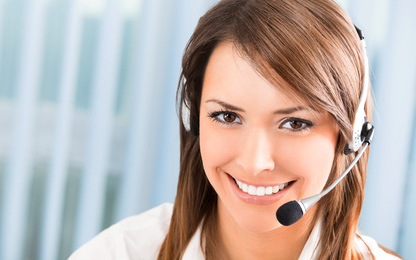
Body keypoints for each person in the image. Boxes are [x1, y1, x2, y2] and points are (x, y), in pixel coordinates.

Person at [69, 0, 402, 259]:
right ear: (193, 117)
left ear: (351, 137)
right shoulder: (119, 254)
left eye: (295, 123)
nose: (254, 163)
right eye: (228, 116)